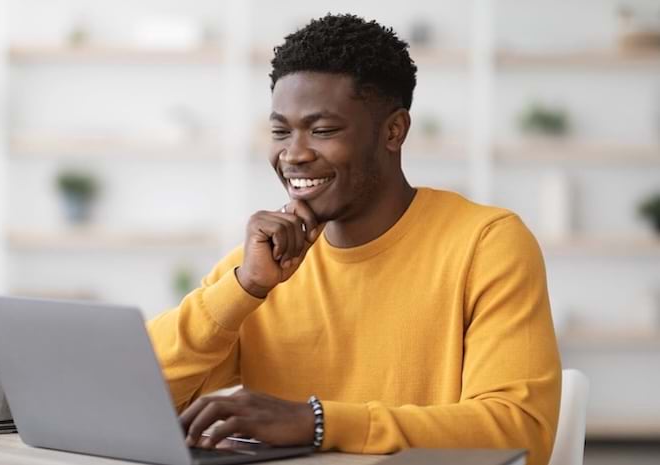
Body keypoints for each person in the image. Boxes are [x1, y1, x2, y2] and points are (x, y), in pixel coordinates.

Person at [146, 13, 561, 465]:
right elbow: (136, 397)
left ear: (393, 131)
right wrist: (243, 288)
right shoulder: (260, 268)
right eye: (281, 131)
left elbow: (519, 431)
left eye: (322, 130)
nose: (294, 154)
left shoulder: (486, 244)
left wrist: (317, 422)